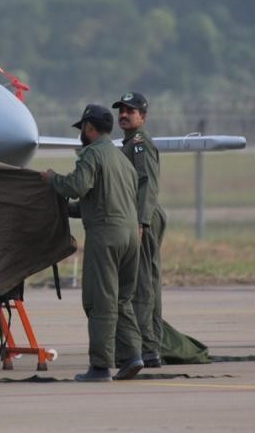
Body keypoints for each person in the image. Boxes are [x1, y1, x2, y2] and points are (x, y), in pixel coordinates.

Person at [42, 105, 143, 381]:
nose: (81, 135)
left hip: (105, 236)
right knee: (122, 299)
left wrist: (52, 180)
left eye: (82, 129)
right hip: (130, 237)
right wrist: (67, 209)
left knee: (100, 302)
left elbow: (77, 186)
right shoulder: (122, 159)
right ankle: (133, 356)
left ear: (89, 128)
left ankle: (100, 367)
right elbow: (96, 199)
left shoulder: (92, 154)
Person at [112, 92, 167, 368]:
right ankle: (148, 345)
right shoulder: (128, 144)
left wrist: (142, 221)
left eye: (130, 111)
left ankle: (148, 348)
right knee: (142, 281)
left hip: (142, 217)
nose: (123, 114)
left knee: (143, 282)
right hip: (136, 215)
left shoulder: (140, 144)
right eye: (121, 110)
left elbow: (148, 184)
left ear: (142, 117)